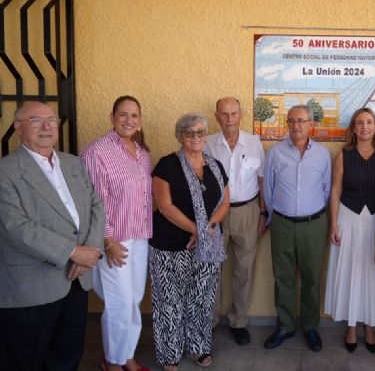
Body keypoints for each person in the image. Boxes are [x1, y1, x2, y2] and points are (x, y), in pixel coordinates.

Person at [0, 102, 105, 370]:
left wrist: (89, 252)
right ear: (18, 126)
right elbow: (15, 226)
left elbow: (96, 204)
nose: (47, 126)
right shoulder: (6, 171)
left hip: (76, 279)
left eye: (52, 120)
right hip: (31, 285)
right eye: (36, 120)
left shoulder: (73, 163)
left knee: (68, 354)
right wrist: (72, 251)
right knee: (25, 359)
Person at [150, 113, 230, 371]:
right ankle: (169, 353)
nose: (195, 137)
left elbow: (225, 202)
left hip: (207, 245)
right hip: (170, 245)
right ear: (180, 136)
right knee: (169, 301)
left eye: (200, 132)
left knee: (202, 298)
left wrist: (208, 229)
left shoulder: (216, 166)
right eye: (189, 133)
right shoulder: (167, 165)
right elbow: (164, 206)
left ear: (206, 135)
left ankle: (198, 347)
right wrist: (198, 230)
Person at [80, 95, 153, 371]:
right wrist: (108, 240)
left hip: (140, 236)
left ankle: (127, 357)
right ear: (112, 117)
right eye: (123, 115)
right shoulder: (96, 152)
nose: (129, 120)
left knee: (133, 299)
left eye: (134, 115)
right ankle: (112, 361)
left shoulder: (142, 152)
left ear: (140, 120)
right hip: (114, 239)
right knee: (119, 302)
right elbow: (96, 201)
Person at [324, 107, 375, 353]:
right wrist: (333, 223)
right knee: (350, 273)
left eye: (369, 122)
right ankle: (351, 325)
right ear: (354, 128)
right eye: (360, 123)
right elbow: (335, 191)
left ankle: (370, 325)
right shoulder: (345, 154)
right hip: (348, 218)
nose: (365, 126)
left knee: (373, 275)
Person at [262, 104, 331, 352]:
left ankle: (310, 327)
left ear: (311, 124)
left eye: (301, 120)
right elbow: (267, 189)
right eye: (292, 121)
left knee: (312, 278)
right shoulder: (275, 153)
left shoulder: (322, 155)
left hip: (313, 225)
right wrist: (274, 215)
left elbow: (326, 189)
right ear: (287, 124)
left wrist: (315, 215)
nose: (297, 125)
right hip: (281, 223)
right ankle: (285, 325)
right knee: (283, 277)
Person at [204, 97, 266, 345]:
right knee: (211, 270)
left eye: (233, 113)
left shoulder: (253, 142)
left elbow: (261, 181)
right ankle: (208, 321)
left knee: (244, 269)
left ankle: (238, 321)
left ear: (241, 115)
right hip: (215, 214)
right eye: (224, 113)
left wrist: (263, 213)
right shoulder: (207, 143)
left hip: (247, 213)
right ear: (217, 116)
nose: (229, 118)